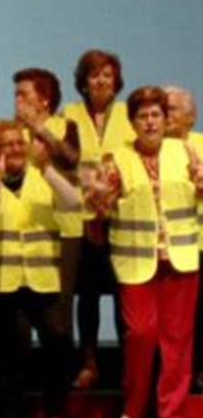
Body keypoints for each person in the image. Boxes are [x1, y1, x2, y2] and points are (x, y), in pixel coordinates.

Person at [89, 86, 203, 418]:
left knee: (177, 340)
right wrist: (98, 197)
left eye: (157, 115)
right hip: (136, 261)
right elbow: (102, 208)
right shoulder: (117, 159)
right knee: (141, 334)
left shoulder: (185, 152)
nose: (151, 122)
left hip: (180, 260)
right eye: (143, 116)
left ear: (165, 120)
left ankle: (172, 415)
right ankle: (132, 410)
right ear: (133, 122)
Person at [0, 119, 79, 418]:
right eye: (5, 144)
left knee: (58, 341)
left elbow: (73, 202)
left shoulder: (44, 177)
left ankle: (55, 414)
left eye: (19, 142)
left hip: (41, 278)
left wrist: (46, 168)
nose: (15, 149)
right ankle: (9, 417)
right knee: (8, 351)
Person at [62, 49, 134, 388]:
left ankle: (126, 363)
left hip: (120, 216)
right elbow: (64, 159)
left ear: (117, 80)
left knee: (124, 293)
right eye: (94, 75)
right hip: (83, 216)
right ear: (83, 82)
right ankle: (88, 363)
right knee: (87, 294)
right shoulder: (70, 114)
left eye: (107, 74)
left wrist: (113, 190)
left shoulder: (127, 114)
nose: (101, 80)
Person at [13, 68, 82, 336]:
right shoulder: (10, 130)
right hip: (23, 228)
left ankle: (62, 374)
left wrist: (39, 130)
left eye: (23, 94)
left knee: (56, 316)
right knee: (19, 315)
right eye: (15, 95)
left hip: (62, 229)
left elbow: (70, 158)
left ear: (44, 100)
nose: (17, 100)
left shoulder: (65, 126)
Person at [164, 85, 203, 388]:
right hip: (168, 248)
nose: (165, 116)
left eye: (173, 109)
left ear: (190, 117)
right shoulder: (148, 151)